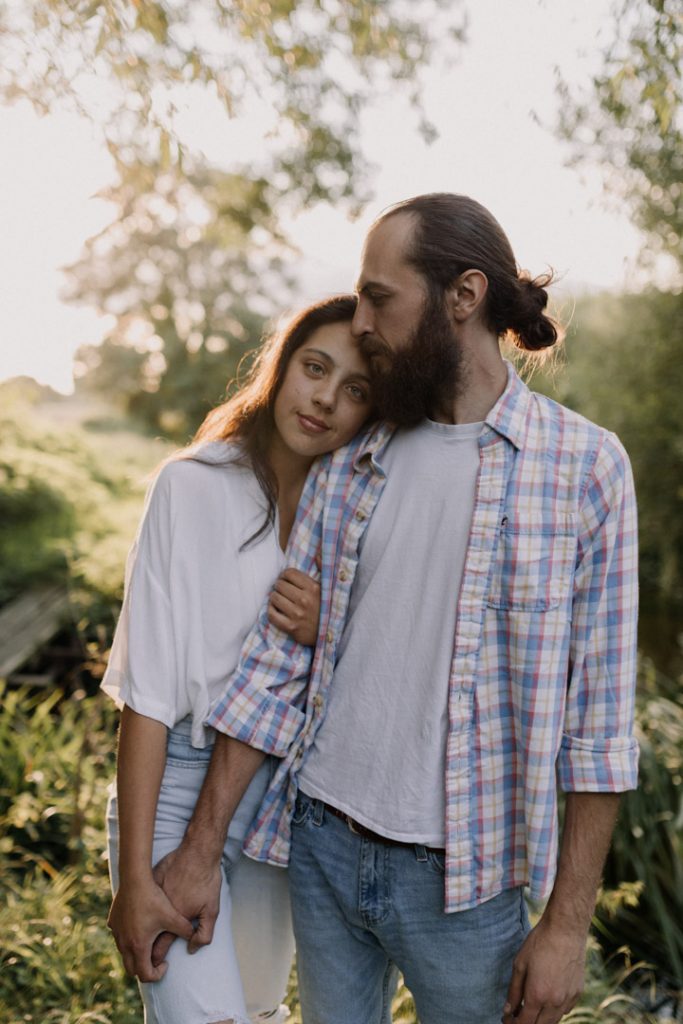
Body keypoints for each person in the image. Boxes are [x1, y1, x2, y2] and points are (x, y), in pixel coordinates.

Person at [152, 194, 639, 1024]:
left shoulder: (585, 469)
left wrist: (564, 927)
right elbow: (277, 665)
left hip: (467, 884)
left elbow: (597, 731)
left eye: (379, 298)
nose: (363, 323)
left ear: (463, 296)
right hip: (320, 844)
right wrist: (199, 851)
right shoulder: (354, 459)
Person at [101, 294, 375, 1024]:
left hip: (282, 800)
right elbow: (146, 698)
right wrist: (135, 875)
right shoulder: (191, 485)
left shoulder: (351, 508)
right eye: (314, 368)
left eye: (355, 389)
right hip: (175, 786)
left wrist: (327, 630)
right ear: (281, 368)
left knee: (256, 1011)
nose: (325, 398)